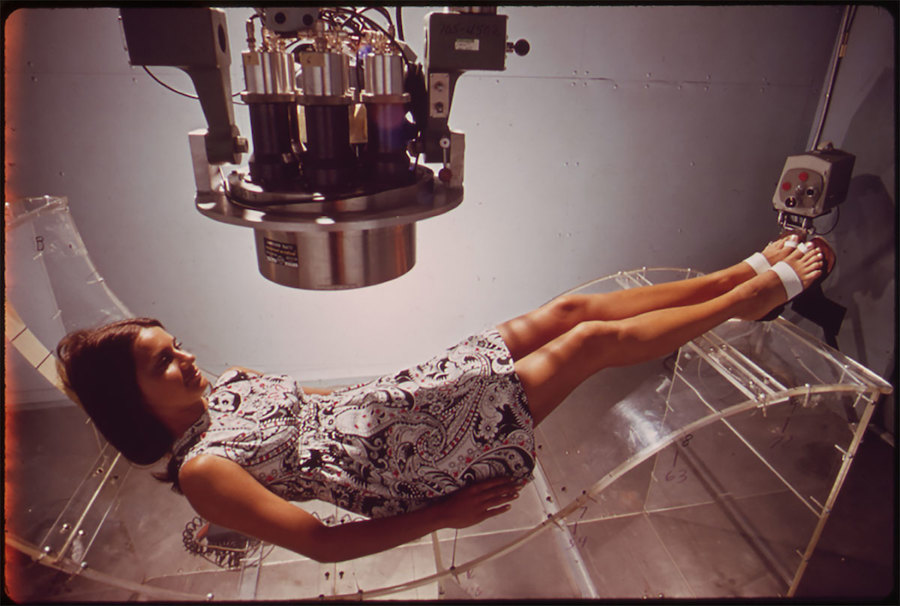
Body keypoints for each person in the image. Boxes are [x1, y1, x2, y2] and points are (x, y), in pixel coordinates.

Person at [55, 235, 829, 563]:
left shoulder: (223, 391)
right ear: (132, 401)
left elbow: (322, 400)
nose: (186, 355)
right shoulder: (204, 474)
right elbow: (322, 542)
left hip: (401, 402)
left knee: (568, 311)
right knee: (589, 347)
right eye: (164, 362)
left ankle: (736, 275)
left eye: (172, 343)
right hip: (412, 462)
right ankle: (758, 295)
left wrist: (406, 384)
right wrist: (442, 516)